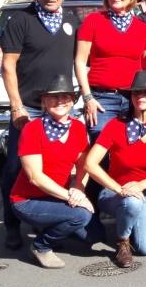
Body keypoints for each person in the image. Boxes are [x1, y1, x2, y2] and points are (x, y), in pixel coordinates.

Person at [0, 0, 79, 250]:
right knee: (14, 168)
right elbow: (8, 65)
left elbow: (80, 62)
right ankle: (11, 224)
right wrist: (16, 106)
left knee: (58, 165)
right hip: (30, 109)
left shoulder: (72, 20)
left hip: (61, 106)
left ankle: (48, 217)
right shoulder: (21, 20)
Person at [83, 71, 146, 267]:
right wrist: (118, 189)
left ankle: (128, 222)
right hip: (112, 191)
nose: (141, 97)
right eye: (136, 93)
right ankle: (122, 242)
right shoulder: (115, 125)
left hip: (143, 192)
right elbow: (90, 163)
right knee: (130, 202)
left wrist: (139, 186)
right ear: (131, 98)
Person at [9, 75, 94, 269]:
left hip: (56, 197)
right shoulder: (32, 129)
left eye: (65, 96)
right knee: (81, 216)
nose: (59, 101)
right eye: (53, 97)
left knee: (94, 236)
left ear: (73, 101)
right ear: (44, 101)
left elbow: (84, 165)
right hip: (27, 200)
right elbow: (35, 178)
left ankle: (47, 225)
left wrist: (78, 189)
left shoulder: (79, 128)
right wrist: (70, 197)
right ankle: (41, 246)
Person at [75, 0, 146, 141]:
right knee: (99, 145)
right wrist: (88, 98)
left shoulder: (143, 27)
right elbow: (79, 62)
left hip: (134, 99)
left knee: (131, 149)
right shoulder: (93, 20)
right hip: (101, 99)